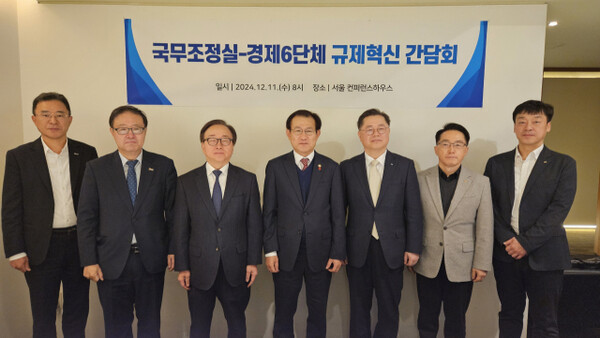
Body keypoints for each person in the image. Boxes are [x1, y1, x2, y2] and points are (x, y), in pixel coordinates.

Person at [2, 92, 97, 338]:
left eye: (59, 115)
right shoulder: (19, 156)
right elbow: (11, 207)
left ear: (70, 119)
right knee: (43, 316)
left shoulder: (86, 153)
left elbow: (96, 203)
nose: (53, 120)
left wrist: (95, 247)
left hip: (79, 244)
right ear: (35, 119)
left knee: (77, 313)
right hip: (40, 248)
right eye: (45, 115)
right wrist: (15, 250)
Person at [77, 105, 177, 338]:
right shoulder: (96, 168)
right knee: (116, 326)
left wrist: (174, 249)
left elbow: (173, 214)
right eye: (123, 129)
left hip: (150, 259)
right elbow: (87, 217)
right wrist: (88, 260)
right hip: (110, 261)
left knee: (150, 324)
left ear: (145, 131)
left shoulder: (163, 166)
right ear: (112, 132)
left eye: (136, 128)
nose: (130, 134)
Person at [484, 100, 576, 337]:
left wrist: (525, 242)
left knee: (544, 322)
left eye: (536, 121)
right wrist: (508, 239)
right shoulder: (496, 163)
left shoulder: (563, 164)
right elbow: (488, 207)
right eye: (522, 121)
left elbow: (558, 210)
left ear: (548, 127)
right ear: (514, 127)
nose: (528, 127)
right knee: (509, 315)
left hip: (546, 254)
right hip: (506, 253)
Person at [172, 119, 262, 338]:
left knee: (237, 324)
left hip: (237, 266)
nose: (219, 145)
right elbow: (180, 226)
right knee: (199, 326)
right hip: (199, 267)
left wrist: (252, 261)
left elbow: (254, 224)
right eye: (212, 140)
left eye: (225, 140)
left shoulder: (247, 180)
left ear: (233, 145)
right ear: (203, 145)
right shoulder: (186, 182)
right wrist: (182, 266)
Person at [340, 108, 423, 338]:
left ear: (388, 132)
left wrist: (413, 247)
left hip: (393, 249)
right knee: (358, 310)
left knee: (389, 309)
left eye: (381, 128)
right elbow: (339, 212)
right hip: (357, 249)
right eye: (369, 129)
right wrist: (339, 249)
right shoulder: (347, 167)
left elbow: (414, 210)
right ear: (360, 134)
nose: (375, 133)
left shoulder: (405, 166)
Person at [263, 110, 346, 338]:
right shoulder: (276, 166)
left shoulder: (331, 167)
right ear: (288, 134)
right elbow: (268, 212)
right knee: (284, 312)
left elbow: (338, 214)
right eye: (297, 130)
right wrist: (270, 250)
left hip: (321, 253)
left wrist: (338, 252)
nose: (303, 136)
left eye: (309, 131)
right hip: (284, 252)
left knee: (319, 313)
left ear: (317, 133)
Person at [413, 123, 493, 338]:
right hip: (427, 260)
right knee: (426, 319)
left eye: (458, 144)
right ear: (436, 148)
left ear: (465, 150)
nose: (451, 149)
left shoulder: (481, 182)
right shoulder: (419, 179)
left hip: (463, 263)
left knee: (456, 320)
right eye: (445, 144)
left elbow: (485, 226)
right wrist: (412, 252)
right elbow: (411, 220)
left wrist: (481, 263)